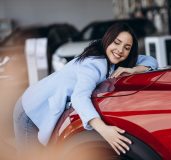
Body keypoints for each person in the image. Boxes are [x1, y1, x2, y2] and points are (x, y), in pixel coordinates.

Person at [13, 23, 158, 156]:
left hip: (43, 102)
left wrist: (133, 70)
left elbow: (151, 61)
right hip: (31, 109)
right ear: (108, 40)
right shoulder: (95, 63)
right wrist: (104, 130)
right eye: (117, 43)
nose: (120, 50)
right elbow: (79, 98)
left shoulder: (115, 59)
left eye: (127, 47)